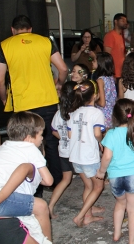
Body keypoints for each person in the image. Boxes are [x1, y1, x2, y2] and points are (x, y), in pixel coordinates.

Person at [0, 15, 68, 194]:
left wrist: (4, 98)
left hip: (22, 104)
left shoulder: (4, 45)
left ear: (13, 30)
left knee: (26, 145)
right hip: (48, 100)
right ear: (31, 29)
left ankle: (35, 188)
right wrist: (58, 84)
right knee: (50, 142)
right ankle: (56, 183)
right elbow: (63, 69)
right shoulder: (45, 41)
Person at [0, 111, 54, 241]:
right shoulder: (30, 149)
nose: (41, 138)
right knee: (41, 206)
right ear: (29, 138)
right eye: (40, 135)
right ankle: (47, 241)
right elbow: (49, 181)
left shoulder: (4, 147)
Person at [97, 99, 134, 244]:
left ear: (114, 116)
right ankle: (132, 241)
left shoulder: (110, 134)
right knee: (133, 209)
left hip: (116, 177)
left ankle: (116, 234)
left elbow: (107, 156)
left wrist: (102, 172)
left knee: (120, 204)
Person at [67, 80, 106, 227]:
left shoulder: (74, 113)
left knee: (88, 186)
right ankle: (80, 216)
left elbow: (70, 135)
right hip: (89, 156)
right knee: (98, 186)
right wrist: (101, 142)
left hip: (75, 156)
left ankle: (88, 215)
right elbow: (97, 132)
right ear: (95, 96)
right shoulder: (96, 113)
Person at [49, 81, 76, 218]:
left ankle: (51, 205)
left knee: (65, 179)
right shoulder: (76, 112)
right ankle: (89, 208)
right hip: (77, 152)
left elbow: (53, 130)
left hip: (63, 151)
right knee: (90, 182)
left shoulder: (59, 112)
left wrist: (63, 137)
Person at [95, 52, 117, 129]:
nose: (92, 62)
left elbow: (102, 103)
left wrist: (94, 100)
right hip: (112, 114)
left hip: (103, 114)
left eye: (94, 61)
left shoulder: (100, 80)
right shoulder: (111, 78)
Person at [104, 13, 128, 79]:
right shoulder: (110, 35)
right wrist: (111, 73)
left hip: (121, 73)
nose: (125, 23)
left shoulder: (120, 36)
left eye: (126, 21)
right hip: (114, 74)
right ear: (116, 22)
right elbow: (107, 56)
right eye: (122, 21)